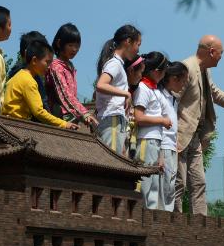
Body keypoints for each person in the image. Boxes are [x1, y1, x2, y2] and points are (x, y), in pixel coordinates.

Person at [175, 35, 224, 215]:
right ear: (211, 52)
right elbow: (172, 100)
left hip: (195, 136)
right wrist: (168, 132)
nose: (221, 57)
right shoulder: (186, 68)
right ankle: (175, 223)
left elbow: (215, 93)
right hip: (179, 135)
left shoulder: (204, 71)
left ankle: (202, 226)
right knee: (178, 182)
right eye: (221, 53)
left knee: (198, 182)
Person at [1, 39, 76, 129]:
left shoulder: (18, 76)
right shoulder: (28, 81)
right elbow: (39, 112)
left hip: (7, 122)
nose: (49, 67)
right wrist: (64, 124)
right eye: (47, 62)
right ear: (34, 60)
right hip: (17, 126)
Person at [94, 25, 140, 156]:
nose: (138, 49)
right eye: (138, 44)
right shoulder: (114, 63)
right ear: (128, 41)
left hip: (114, 120)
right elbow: (101, 84)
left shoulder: (118, 63)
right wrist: (125, 93)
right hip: (112, 120)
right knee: (111, 164)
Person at [133, 52, 170, 210]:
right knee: (144, 185)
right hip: (145, 140)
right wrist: (162, 120)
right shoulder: (143, 88)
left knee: (154, 185)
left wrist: (161, 155)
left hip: (156, 141)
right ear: (156, 71)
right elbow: (139, 117)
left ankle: (150, 222)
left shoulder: (154, 90)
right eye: (163, 71)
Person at [45, 23, 96, 129]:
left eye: (77, 46)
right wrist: (84, 113)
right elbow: (64, 94)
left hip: (71, 115)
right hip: (60, 118)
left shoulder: (70, 66)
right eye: (71, 45)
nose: (75, 49)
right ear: (59, 43)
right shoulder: (56, 66)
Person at [158, 61, 186, 212]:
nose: (184, 85)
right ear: (174, 78)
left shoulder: (173, 99)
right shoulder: (159, 95)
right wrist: (160, 154)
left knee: (170, 188)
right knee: (163, 188)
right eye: (183, 80)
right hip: (163, 147)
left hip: (172, 147)